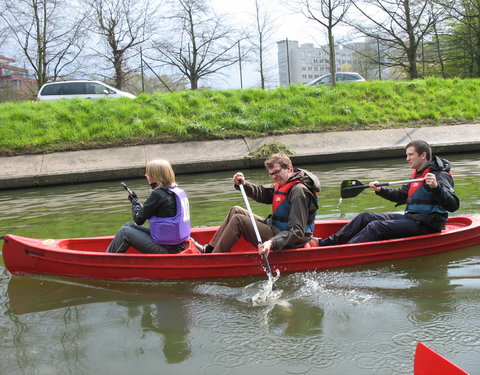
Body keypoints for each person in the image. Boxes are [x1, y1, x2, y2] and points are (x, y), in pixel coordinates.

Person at [316, 140, 459, 246]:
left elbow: (453, 205)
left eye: (411, 155)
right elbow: (402, 196)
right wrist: (380, 190)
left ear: (423, 155)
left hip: (428, 225)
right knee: (365, 217)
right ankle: (325, 244)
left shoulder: (439, 175)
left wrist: (436, 187)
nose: (407, 159)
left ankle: (343, 252)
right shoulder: (417, 174)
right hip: (412, 218)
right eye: (407, 155)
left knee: (375, 227)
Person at [195, 153, 320, 256]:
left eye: (276, 172)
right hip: (276, 229)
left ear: (289, 168)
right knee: (236, 210)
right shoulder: (284, 183)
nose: (274, 177)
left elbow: (298, 231)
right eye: (271, 174)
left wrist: (271, 242)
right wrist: (244, 184)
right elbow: (262, 193)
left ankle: (215, 258)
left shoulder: (298, 191)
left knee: (239, 220)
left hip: (289, 240)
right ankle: (210, 250)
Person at [106, 159, 190, 254]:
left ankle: (105, 261)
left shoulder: (158, 195)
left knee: (125, 232)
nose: (145, 175)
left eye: (148, 173)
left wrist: (135, 202)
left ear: (156, 176)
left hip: (168, 250)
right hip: (178, 245)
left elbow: (139, 219)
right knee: (128, 225)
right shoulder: (176, 191)